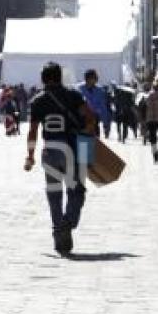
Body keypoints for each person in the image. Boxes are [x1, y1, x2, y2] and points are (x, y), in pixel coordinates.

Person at [25, 62, 97, 255]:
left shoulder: (38, 100)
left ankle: (58, 230)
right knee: (76, 191)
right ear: (60, 77)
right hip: (73, 150)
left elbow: (33, 131)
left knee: (54, 194)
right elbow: (90, 117)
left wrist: (30, 156)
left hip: (50, 151)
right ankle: (68, 222)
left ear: (43, 79)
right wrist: (87, 133)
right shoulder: (73, 95)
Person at [77, 69, 111, 138]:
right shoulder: (78, 90)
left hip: (94, 122)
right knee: (83, 146)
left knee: (94, 145)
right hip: (81, 122)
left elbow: (103, 108)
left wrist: (105, 124)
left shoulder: (100, 91)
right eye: (94, 78)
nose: (96, 80)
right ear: (88, 79)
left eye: (96, 78)